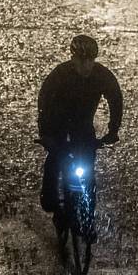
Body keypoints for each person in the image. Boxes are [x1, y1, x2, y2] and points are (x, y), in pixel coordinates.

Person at [37, 34, 123, 212]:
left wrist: (113, 131)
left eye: (89, 60)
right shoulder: (60, 74)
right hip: (57, 124)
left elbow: (116, 100)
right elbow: (43, 102)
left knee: (88, 168)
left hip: (83, 126)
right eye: (81, 60)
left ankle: (89, 214)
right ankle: (49, 198)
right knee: (55, 157)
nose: (85, 66)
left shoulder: (103, 75)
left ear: (94, 60)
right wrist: (45, 133)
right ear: (73, 58)